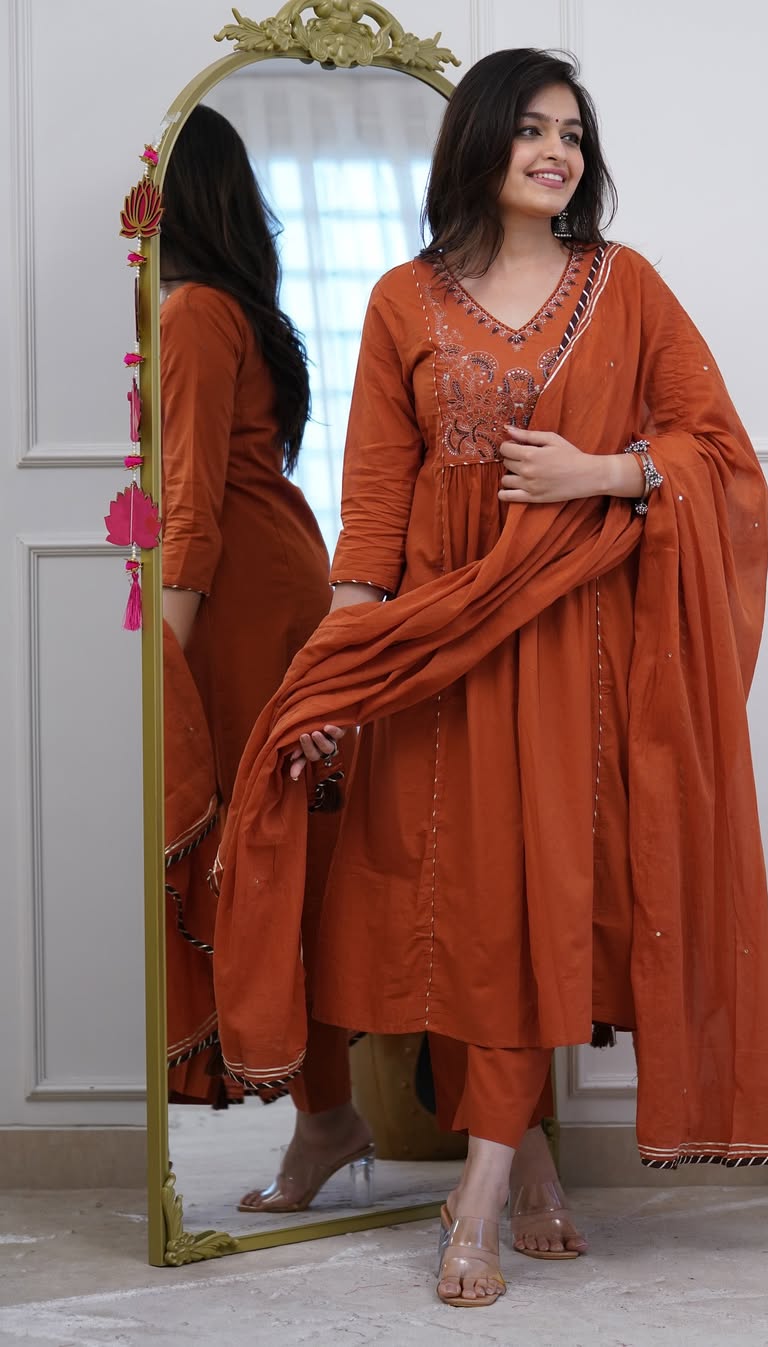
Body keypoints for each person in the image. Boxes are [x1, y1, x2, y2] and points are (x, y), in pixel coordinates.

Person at [213, 49, 768, 1307]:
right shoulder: (400, 301)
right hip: (437, 652)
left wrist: (603, 472)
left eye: (572, 134)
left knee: (532, 907)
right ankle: (526, 1161)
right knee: (464, 914)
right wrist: (340, 670)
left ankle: (470, 1200)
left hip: (572, 649)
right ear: (477, 141)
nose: (556, 153)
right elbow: (373, 505)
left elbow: (720, 455)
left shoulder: (626, 286)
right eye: (531, 129)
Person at [158, 103, 371, 1210]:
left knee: (269, 862)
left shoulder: (194, 312)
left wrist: (163, 659)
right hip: (275, 583)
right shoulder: (239, 311)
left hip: (237, 606)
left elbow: (188, 505)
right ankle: (326, 1116)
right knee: (291, 861)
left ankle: (327, 1117)